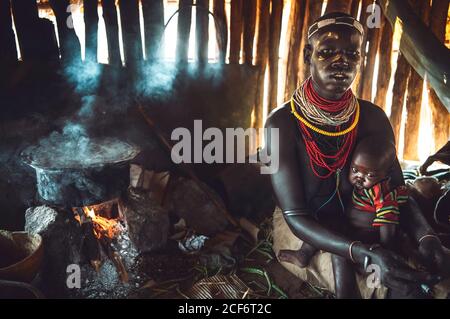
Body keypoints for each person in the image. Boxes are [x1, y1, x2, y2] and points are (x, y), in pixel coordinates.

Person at [263, 12, 449, 298]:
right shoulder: (282, 125)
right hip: (308, 233)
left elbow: (397, 191)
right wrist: (363, 251)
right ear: (307, 55)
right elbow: (296, 216)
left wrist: (427, 236)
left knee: (432, 281)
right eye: (327, 52)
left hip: (364, 222)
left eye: (352, 54)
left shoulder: (372, 118)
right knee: (380, 288)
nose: (342, 62)